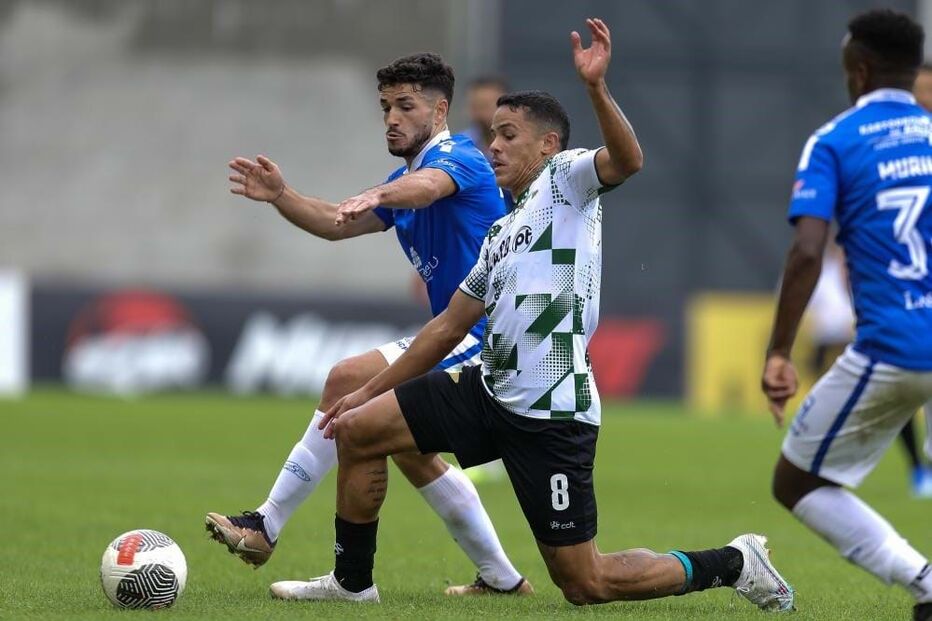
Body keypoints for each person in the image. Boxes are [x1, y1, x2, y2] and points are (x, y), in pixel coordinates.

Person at [269, 19, 795, 611]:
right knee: (360, 430)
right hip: (489, 391)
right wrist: (365, 394)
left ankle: (734, 562)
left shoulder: (567, 181)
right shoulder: (500, 233)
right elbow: (446, 328)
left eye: (508, 135)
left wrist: (596, 88)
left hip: (551, 412)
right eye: (492, 134)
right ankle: (352, 585)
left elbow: (628, 160)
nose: (492, 145)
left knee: (585, 583)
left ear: (547, 145)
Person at [210, 52, 533, 597]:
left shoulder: (461, 159)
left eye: (406, 106)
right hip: (464, 335)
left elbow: (429, 188)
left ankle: (265, 524)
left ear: (440, 110)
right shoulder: (402, 179)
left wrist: (381, 193)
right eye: (385, 107)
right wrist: (282, 196)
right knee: (408, 450)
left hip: (489, 338)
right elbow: (338, 224)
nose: (392, 118)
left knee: (346, 379)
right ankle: (502, 580)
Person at [762, 10, 932, 621]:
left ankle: (925, 582)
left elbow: (809, 250)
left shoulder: (835, 140)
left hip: (897, 346)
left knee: (796, 481)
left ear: (858, 70)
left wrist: (779, 351)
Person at [806, 241, 932, 497]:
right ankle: (918, 469)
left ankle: (920, 469)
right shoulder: (880, 253)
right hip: (890, 336)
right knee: (900, 398)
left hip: (903, 334)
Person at [463, 75, 509, 162]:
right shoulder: (460, 147)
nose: (480, 114)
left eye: (485, 106)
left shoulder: (520, 146)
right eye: (475, 107)